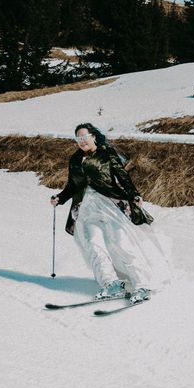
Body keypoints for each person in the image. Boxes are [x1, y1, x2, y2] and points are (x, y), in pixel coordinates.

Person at [50, 123, 170, 304]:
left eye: (84, 138)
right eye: (78, 139)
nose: (81, 142)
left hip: (110, 204)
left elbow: (122, 176)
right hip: (86, 209)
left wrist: (134, 194)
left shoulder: (107, 154)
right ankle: (111, 283)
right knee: (94, 245)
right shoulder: (74, 159)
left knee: (121, 243)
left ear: (93, 137)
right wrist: (60, 198)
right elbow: (73, 185)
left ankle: (142, 284)